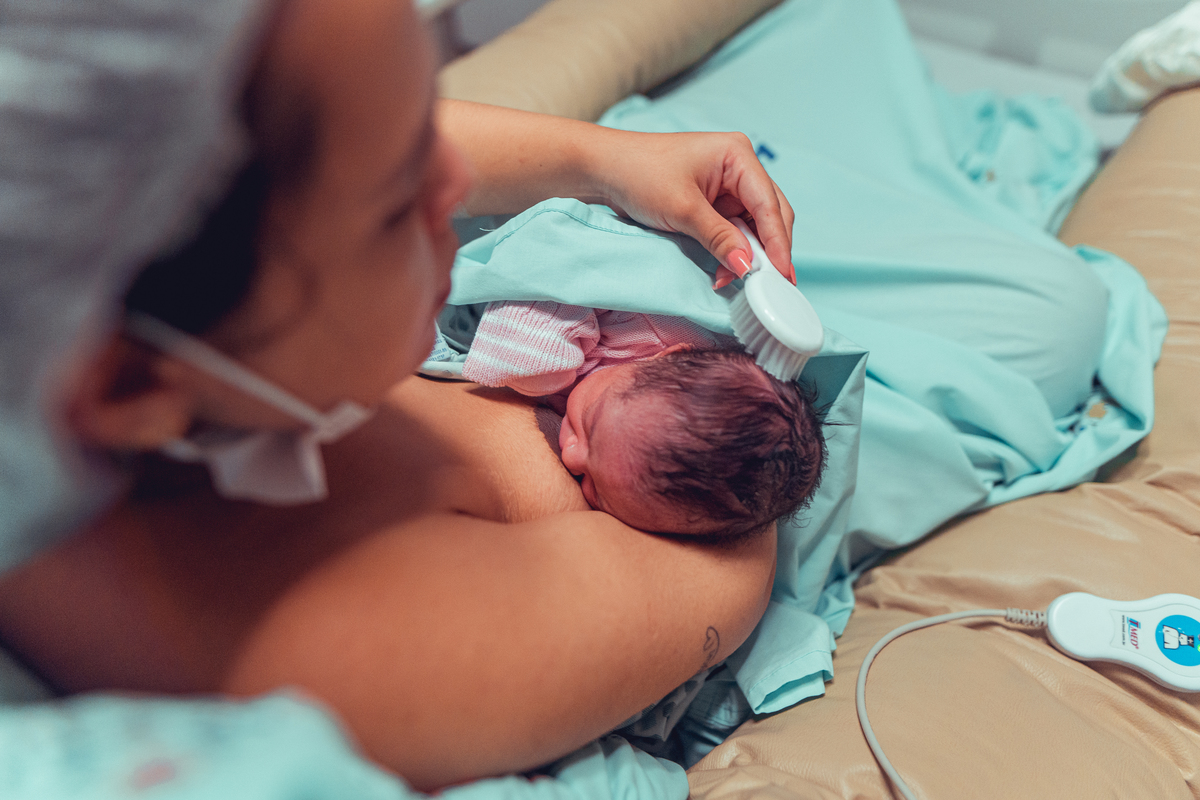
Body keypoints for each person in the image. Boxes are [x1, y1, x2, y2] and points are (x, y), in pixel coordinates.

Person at [0, 0, 796, 791]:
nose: (454, 179)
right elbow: (725, 549)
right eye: (391, 206)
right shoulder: (330, 648)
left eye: (429, 119)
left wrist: (602, 158)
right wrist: (714, 421)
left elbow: (318, 129)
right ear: (135, 381)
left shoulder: (100, 266)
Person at [460, 301, 827, 538]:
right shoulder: (639, 324)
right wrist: (539, 368)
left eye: (597, 494)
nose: (571, 457)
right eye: (589, 424)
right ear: (659, 357)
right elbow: (557, 285)